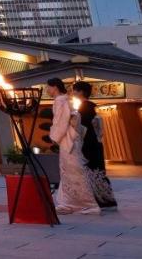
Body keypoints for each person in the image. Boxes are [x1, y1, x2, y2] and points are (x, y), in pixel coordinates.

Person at [47, 78, 100, 215]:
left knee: (74, 170)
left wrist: (54, 136)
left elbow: (61, 120)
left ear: (55, 87)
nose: (47, 90)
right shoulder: (66, 99)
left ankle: (89, 203)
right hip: (70, 138)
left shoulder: (60, 100)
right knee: (68, 170)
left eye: (49, 87)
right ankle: (69, 202)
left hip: (68, 139)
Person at [71, 81, 116, 209]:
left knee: (92, 171)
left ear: (80, 92)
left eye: (75, 90)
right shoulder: (91, 107)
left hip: (89, 142)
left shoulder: (84, 108)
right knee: (97, 171)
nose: (73, 93)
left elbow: (81, 127)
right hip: (94, 142)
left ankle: (103, 201)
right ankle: (106, 201)